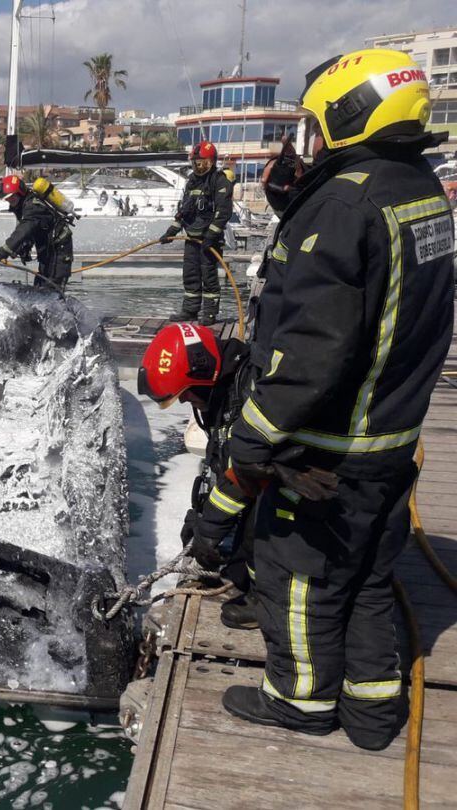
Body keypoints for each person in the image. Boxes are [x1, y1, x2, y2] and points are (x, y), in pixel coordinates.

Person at [221, 48, 454, 751]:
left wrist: (251, 441)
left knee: (300, 580)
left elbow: (312, 351)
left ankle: (299, 701)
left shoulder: (346, 205)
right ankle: (373, 711)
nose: (312, 140)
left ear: (349, 115)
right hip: (392, 436)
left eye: (316, 125)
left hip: (331, 448)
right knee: (369, 578)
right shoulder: (418, 188)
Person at [136, 322, 259, 629]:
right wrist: (202, 517)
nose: (184, 401)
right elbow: (222, 464)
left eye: (185, 393)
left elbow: (249, 473)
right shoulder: (221, 394)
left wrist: (212, 529)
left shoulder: (251, 392)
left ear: (203, 375)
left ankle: (267, 596)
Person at [160, 141, 235, 326]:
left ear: (211, 162)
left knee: (208, 275)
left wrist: (211, 235)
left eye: (202, 163)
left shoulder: (220, 181)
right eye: (196, 163)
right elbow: (184, 211)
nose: (199, 167)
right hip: (192, 237)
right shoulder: (192, 182)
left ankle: (210, 313)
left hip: (210, 240)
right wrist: (171, 231)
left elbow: (223, 212)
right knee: (190, 274)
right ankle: (190, 311)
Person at [0, 175, 74, 288]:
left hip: (59, 249)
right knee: (41, 283)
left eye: (12, 197)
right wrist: (24, 248)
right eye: (7, 199)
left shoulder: (33, 207)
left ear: (20, 193)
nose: (10, 201)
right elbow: (32, 230)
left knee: (53, 284)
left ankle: (56, 298)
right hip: (47, 248)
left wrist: (2, 253)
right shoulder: (23, 205)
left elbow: (24, 230)